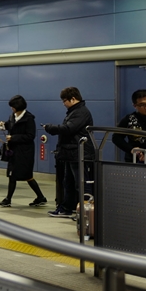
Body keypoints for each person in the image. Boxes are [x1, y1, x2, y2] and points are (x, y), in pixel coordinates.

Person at [42, 87, 93, 219]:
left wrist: (51, 128)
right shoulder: (74, 112)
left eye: (64, 100)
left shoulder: (81, 112)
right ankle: (67, 208)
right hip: (71, 153)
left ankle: (86, 212)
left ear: (73, 99)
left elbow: (69, 128)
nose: (63, 103)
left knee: (81, 184)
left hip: (79, 153)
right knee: (68, 183)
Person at [0, 95, 48, 208]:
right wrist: (1, 124)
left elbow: (30, 136)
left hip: (25, 152)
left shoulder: (29, 119)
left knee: (27, 176)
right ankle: (9, 199)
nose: (11, 108)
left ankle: (40, 197)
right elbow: (9, 125)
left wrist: (13, 137)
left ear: (17, 107)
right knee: (12, 175)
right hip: (13, 151)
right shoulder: (13, 116)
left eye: (12, 106)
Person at [113, 89, 146, 164]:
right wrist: (131, 149)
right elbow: (116, 137)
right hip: (134, 159)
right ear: (135, 106)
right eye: (142, 105)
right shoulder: (130, 118)